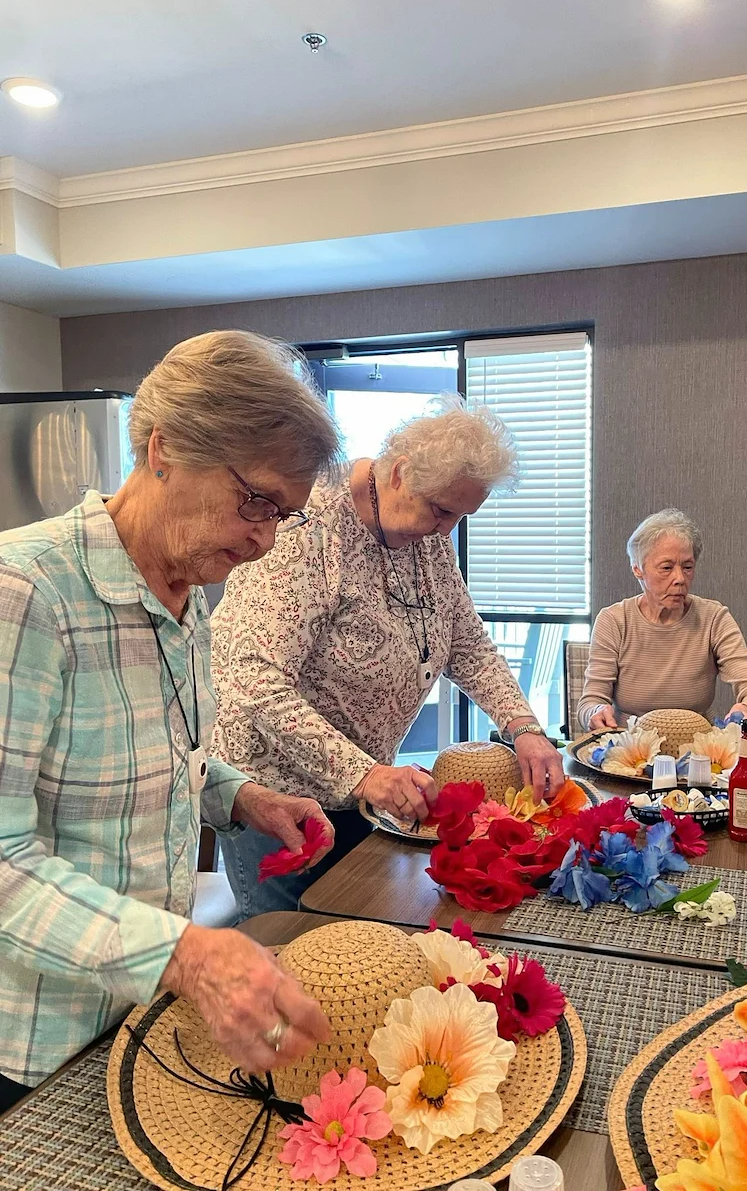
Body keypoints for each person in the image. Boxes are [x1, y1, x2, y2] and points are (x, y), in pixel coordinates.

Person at [0, 331, 342, 1112]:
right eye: (256, 500)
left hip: (141, 1019)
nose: (263, 540)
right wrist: (186, 957)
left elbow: (160, 753)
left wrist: (242, 797)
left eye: (282, 516)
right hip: (39, 1050)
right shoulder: (23, 593)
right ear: (164, 449)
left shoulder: (188, 596)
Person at [210, 396, 565, 918]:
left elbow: (465, 641)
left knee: (357, 936)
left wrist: (523, 726)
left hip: (360, 784)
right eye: (443, 511)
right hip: (274, 793)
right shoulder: (307, 530)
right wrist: (364, 774)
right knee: (293, 947)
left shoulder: (424, 532)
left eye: (460, 517)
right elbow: (250, 676)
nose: (446, 531)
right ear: (399, 473)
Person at [577, 508, 747, 732]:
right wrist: (596, 712)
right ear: (637, 569)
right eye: (666, 568)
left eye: (688, 567)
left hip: (699, 752)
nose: (680, 579)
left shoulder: (714, 618)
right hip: (628, 751)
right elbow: (589, 703)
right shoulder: (614, 621)